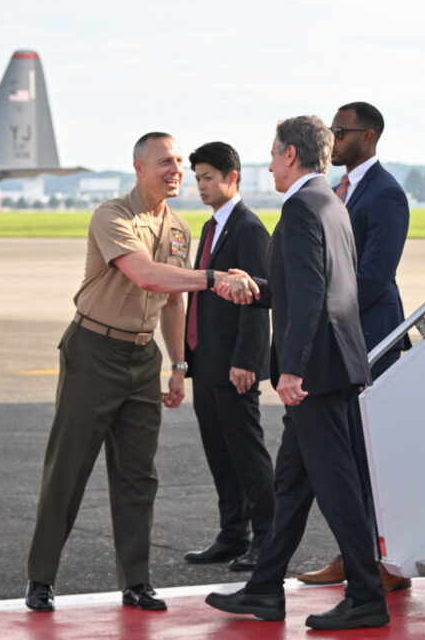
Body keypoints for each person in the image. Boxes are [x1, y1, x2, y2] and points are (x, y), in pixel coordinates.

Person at [24, 132, 256, 613]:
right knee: (68, 468)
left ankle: (135, 582)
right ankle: (41, 578)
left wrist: (178, 365)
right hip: (93, 350)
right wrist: (216, 278)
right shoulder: (112, 216)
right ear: (139, 168)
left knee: (138, 476)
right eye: (165, 163)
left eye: (178, 163)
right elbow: (146, 275)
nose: (176, 171)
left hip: (142, 356)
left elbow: (173, 301)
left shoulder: (178, 229)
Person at [205, 115, 387, 630]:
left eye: (272, 153)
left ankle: (367, 596)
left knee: (337, 488)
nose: (267, 163)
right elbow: (311, 288)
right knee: (292, 483)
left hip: (317, 374)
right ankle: (265, 589)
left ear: (290, 155)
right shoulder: (330, 203)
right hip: (333, 366)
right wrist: (255, 287)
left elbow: (310, 298)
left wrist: (293, 370)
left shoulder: (303, 208)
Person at [298, 101, 412, 593]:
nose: (332, 139)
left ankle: (382, 561)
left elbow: (373, 276)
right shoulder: (339, 191)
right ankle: (355, 552)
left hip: (370, 336)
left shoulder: (385, 194)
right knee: (344, 451)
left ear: (366, 137)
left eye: (339, 131)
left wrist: (326, 320)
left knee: (368, 456)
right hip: (345, 336)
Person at [181, 142, 274, 572]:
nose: (201, 185)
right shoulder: (210, 228)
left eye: (208, 177)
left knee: (247, 453)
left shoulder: (249, 229)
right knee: (219, 452)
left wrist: (248, 361)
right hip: (206, 359)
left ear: (231, 178)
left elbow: (259, 299)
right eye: (197, 177)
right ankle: (232, 533)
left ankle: (267, 539)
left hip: (234, 363)